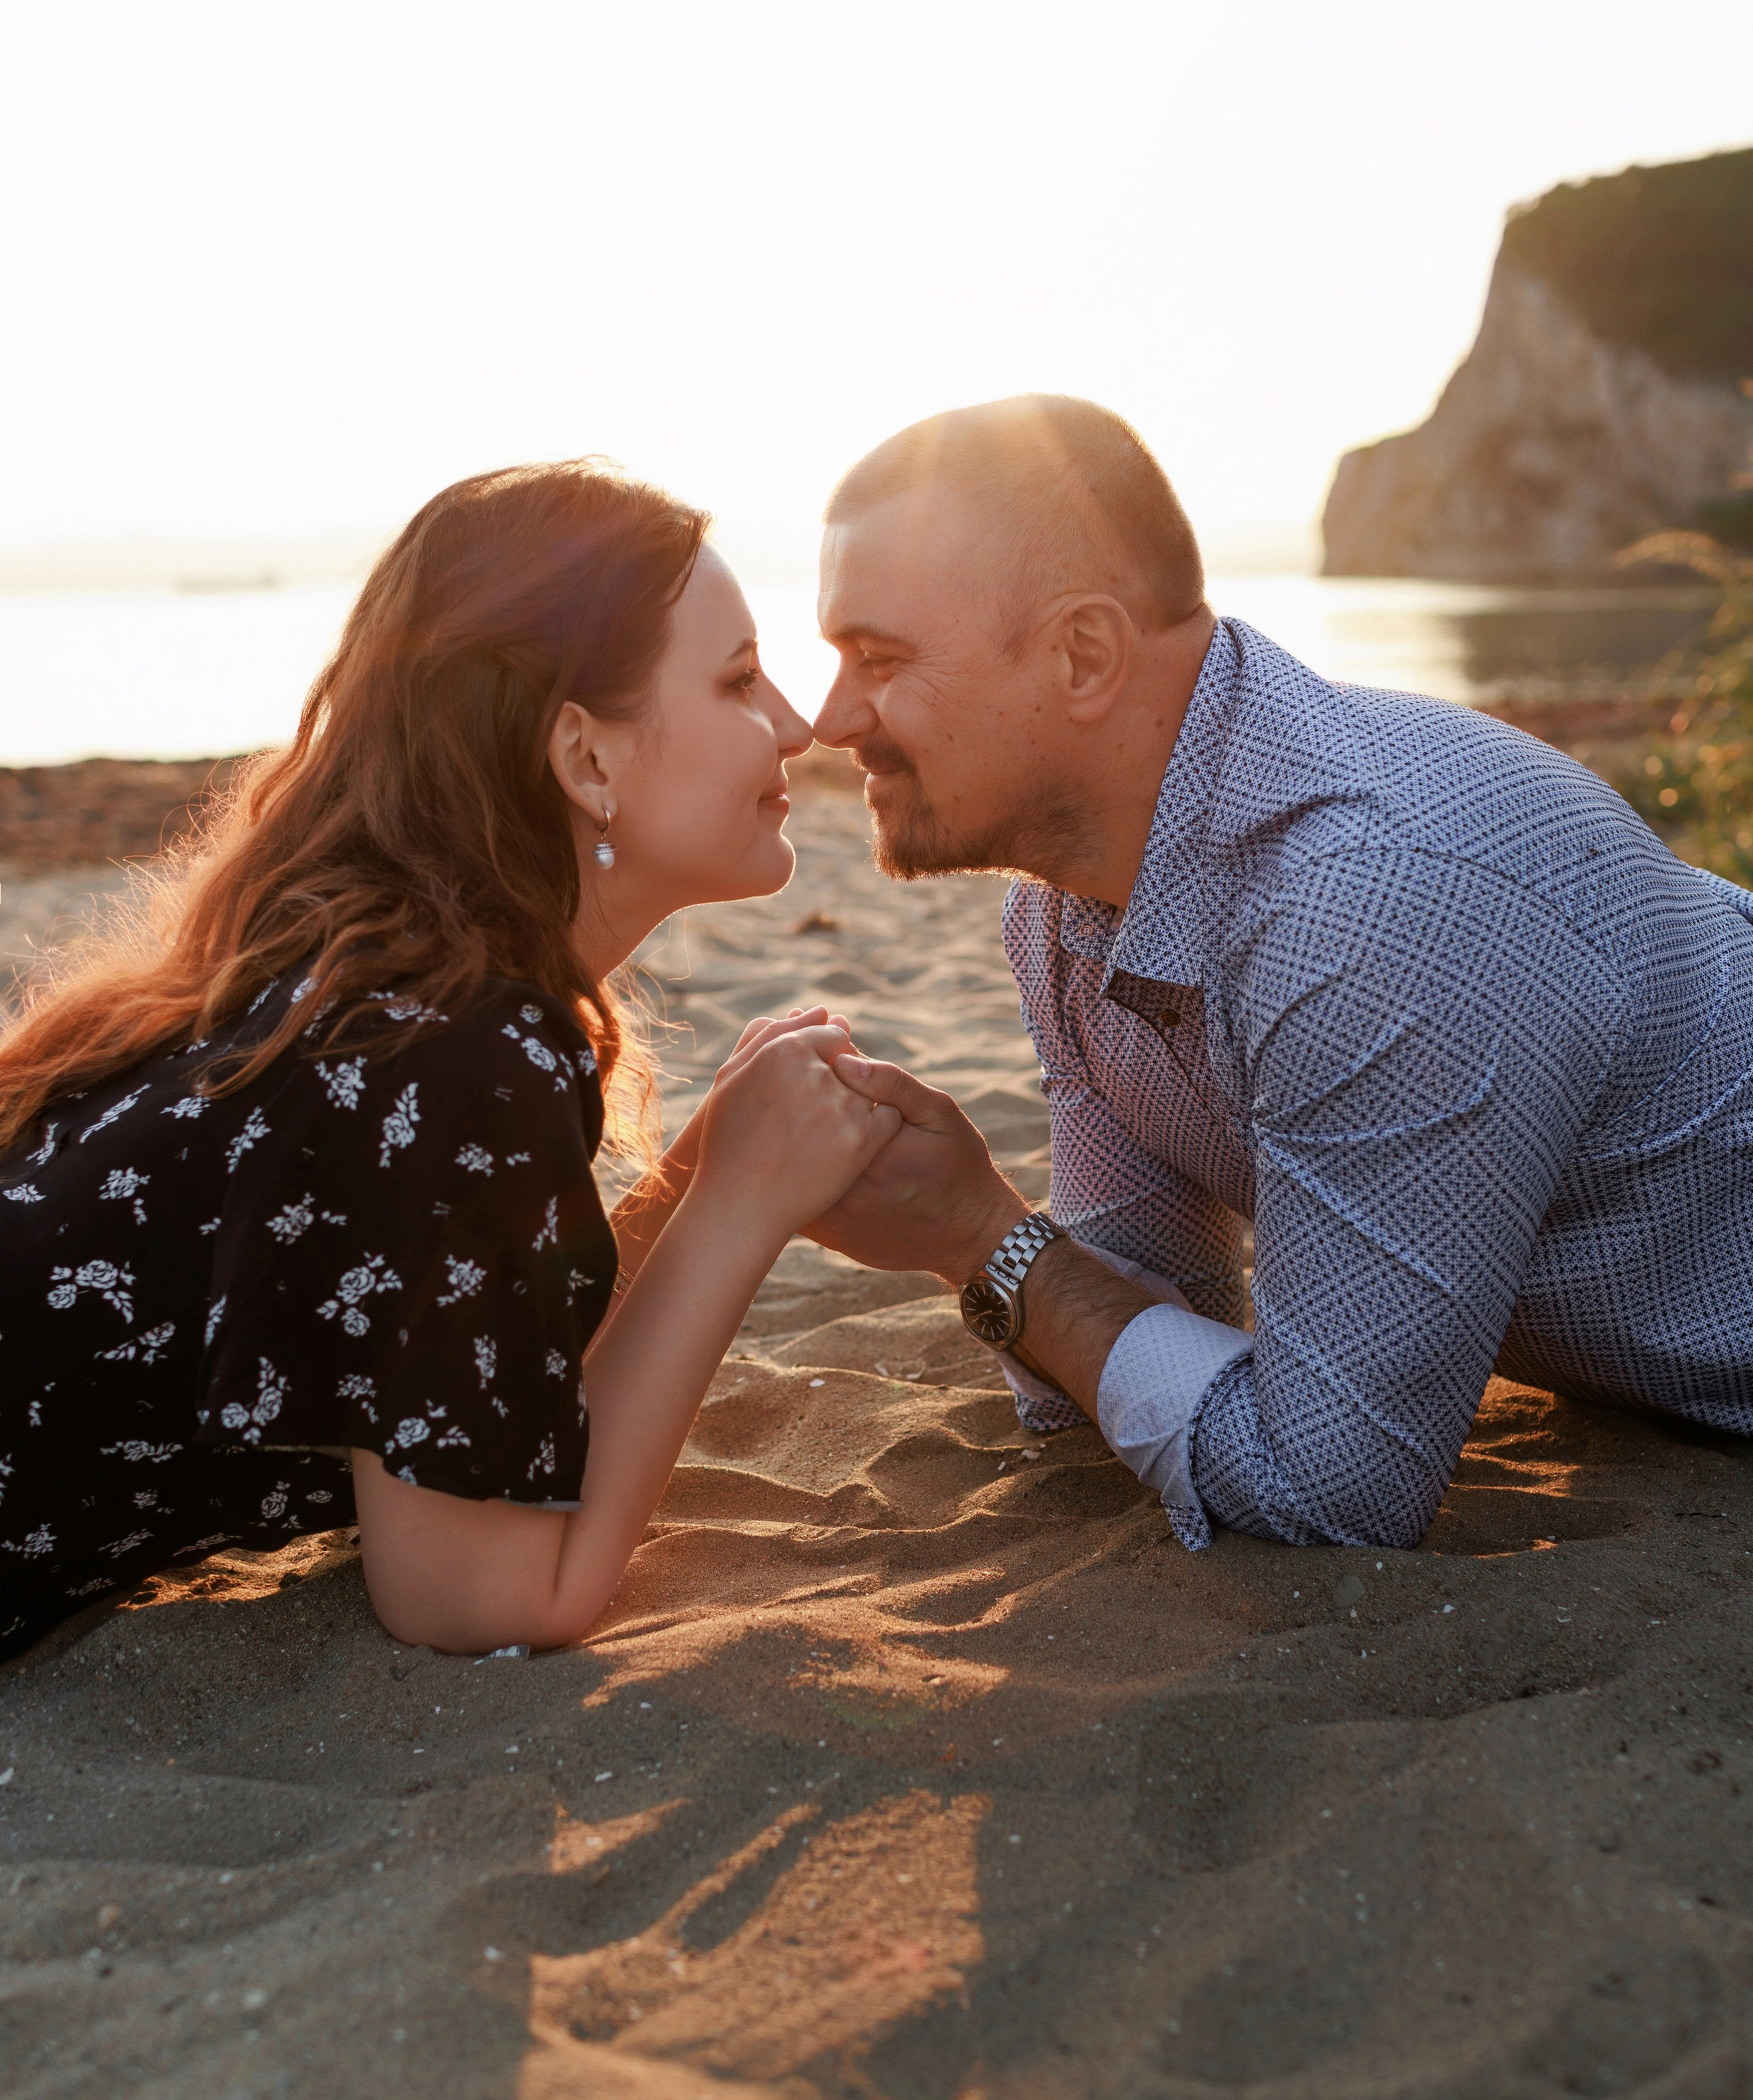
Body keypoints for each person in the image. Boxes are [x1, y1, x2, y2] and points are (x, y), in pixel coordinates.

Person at [807, 395, 1753, 1553]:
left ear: (1084, 655)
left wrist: (981, 1237)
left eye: (879, 659)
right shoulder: (1063, 915)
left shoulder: (1363, 912)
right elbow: (1132, 1335)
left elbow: (1331, 1491)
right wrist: (1028, 1274)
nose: (828, 719)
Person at [0, 462, 898, 1657]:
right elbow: (481, 1600)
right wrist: (739, 1208)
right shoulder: (454, 1046)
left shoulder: (390, 990)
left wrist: (697, 1174)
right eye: (739, 679)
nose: (796, 726)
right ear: (585, 760)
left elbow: (473, 1373)